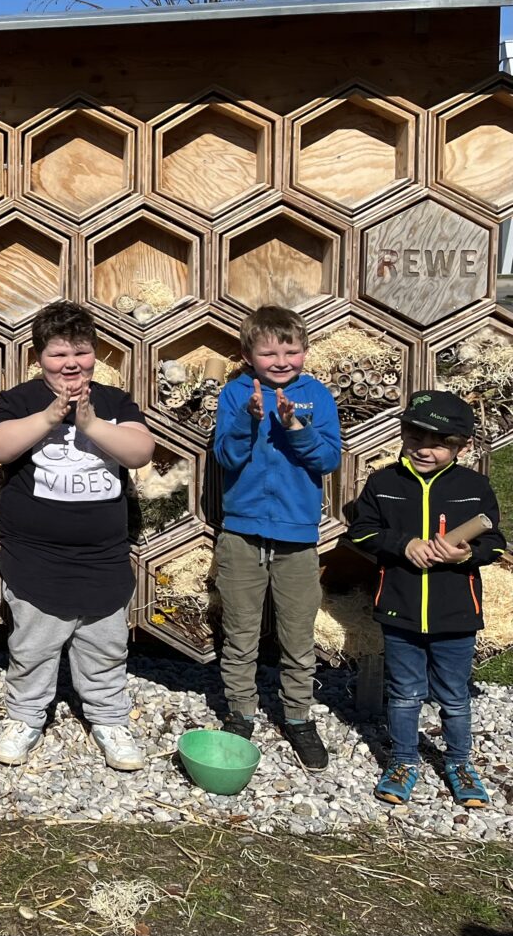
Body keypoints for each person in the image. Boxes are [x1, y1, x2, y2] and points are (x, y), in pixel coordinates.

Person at [0, 301, 155, 772]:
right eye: (59, 354)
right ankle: (24, 717)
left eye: (81, 351)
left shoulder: (115, 402)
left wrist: (91, 424)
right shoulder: (19, 400)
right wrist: (48, 417)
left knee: (104, 645)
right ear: (39, 358)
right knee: (32, 646)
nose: (71, 363)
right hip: (36, 557)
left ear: (96, 354)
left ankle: (109, 720)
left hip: (102, 557)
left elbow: (141, 451)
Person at [348, 391, 506, 807]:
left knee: (454, 696)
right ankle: (403, 761)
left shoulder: (475, 487)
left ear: (462, 446)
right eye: (414, 436)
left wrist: (467, 553)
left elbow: (494, 542)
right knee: (403, 693)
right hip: (399, 609)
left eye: (438, 442)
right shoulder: (384, 482)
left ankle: (459, 763)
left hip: (456, 613)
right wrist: (404, 544)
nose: (424, 448)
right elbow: (361, 530)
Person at [212, 305, 341, 770]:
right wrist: (250, 419)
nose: (281, 360)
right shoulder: (234, 394)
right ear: (249, 355)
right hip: (242, 533)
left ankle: (299, 715)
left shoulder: (317, 396)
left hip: (297, 538)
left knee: (297, 633)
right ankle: (241, 712)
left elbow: (327, 459)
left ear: (305, 351)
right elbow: (226, 456)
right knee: (241, 632)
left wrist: (295, 427)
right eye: (269, 352)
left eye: (291, 350)